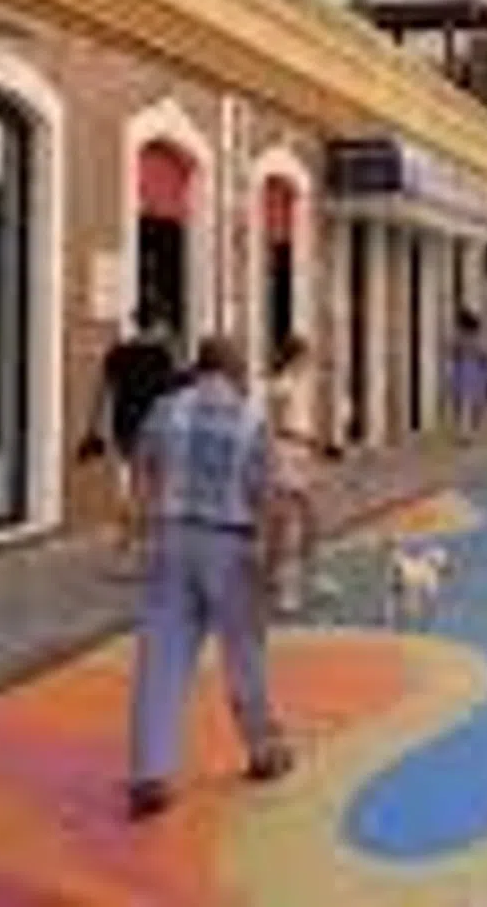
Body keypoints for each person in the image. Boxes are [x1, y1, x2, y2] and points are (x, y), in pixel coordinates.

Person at [126, 335, 292, 820]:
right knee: (243, 654)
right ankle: (263, 750)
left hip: (172, 538)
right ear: (235, 371)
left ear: (198, 368)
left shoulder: (166, 411)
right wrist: (272, 566)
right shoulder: (251, 421)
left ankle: (151, 771)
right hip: (232, 546)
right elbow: (271, 501)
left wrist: (141, 530)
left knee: (161, 655)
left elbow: (141, 470)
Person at [88, 304, 182, 574]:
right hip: (157, 426)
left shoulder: (116, 353)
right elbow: (174, 391)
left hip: (125, 426)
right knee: (156, 489)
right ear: (157, 324)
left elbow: (101, 392)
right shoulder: (162, 355)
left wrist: (93, 428)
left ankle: (128, 551)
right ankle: (145, 550)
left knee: (136, 486)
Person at [263, 335, 336, 616]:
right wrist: (311, 442)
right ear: (295, 358)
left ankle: (306, 576)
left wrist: (313, 444)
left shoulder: (301, 383)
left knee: (309, 519)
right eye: (306, 356)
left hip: (302, 455)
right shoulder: (281, 386)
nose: (310, 361)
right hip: (287, 455)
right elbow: (277, 427)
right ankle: (282, 585)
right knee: (286, 523)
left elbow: (304, 418)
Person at [448, 310, 487, 439]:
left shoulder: (458, 339)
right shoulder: (477, 339)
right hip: (476, 373)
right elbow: (486, 356)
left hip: (462, 372)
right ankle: (470, 432)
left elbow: (454, 354)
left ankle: (464, 433)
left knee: (462, 404)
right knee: (475, 405)